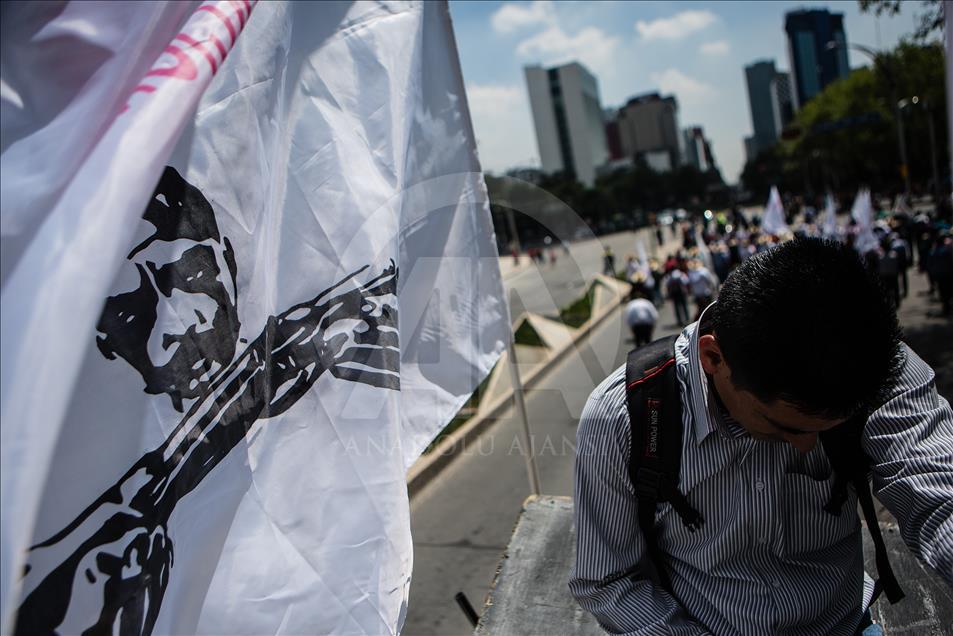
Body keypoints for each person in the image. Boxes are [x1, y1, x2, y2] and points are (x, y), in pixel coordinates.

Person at [570, 238, 953, 636]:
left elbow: (939, 493)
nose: (808, 446)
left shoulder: (871, 367)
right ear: (713, 359)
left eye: (831, 428)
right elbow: (607, 580)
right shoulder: (622, 417)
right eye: (786, 428)